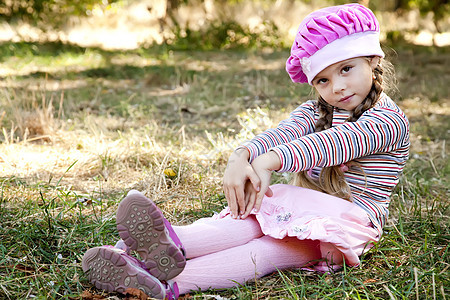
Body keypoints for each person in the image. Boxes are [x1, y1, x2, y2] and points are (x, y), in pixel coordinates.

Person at [81, 3, 410, 299]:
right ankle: (161, 249)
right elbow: (284, 132)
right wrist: (242, 155)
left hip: (346, 226)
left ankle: (170, 282)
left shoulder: (387, 120)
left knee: (266, 250)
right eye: (322, 80)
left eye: (346, 69)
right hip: (303, 211)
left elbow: (334, 144)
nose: (336, 86)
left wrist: (271, 161)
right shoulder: (318, 110)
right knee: (247, 222)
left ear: (373, 60)